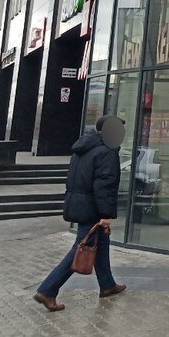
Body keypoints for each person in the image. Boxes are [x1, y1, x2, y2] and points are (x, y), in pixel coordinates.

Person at [33, 116, 127, 312]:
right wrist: (106, 214)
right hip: (91, 208)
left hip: (79, 204)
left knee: (100, 244)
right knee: (81, 248)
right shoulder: (107, 152)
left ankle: (107, 285)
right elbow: (104, 186)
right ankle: (48, 290)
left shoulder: (84, 148)